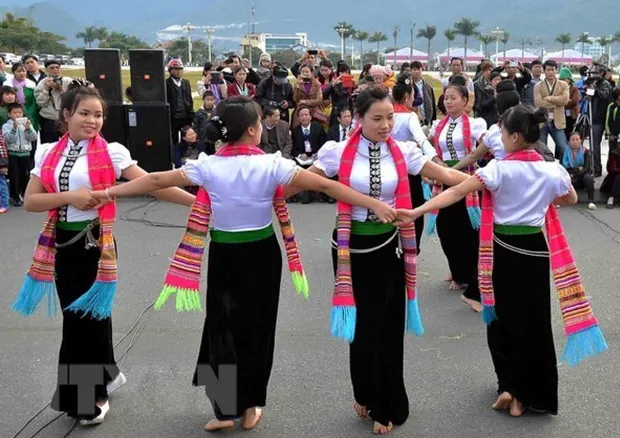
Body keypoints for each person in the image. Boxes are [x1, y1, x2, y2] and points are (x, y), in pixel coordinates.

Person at [88, 95, 399, 432]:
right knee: (257, 331)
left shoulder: (207, 165)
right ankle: (249, 405)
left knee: (221, 328)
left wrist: (109, 193)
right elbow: (325, 185)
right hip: (262, 255)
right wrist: (373, 203)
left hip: (225, 255)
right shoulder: (271, 164)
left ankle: (227, 408)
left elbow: (155, 180)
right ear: (253, 130)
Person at [397, 104, 606, 417]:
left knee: (500, 318)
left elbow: (455, 192)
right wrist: (542, 196)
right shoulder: (551, 170)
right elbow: (571, 198)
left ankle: (508, 386)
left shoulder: (498, 169)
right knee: (533, 322)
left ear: (515, 137)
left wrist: (415, 212)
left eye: (503, 133)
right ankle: (528, 395)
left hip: (501, 250)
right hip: (534, 249)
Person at [290, 86, 472, 435]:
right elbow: (298, 182)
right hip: (349, 250)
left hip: (390, 249)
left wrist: (492, 182)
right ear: (357, 118)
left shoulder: (403, 152)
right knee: (361, 326)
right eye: (377, 118)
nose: (386, 124)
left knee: (387, 327)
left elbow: (446, 176)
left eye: (390, 117)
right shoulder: (337, 152)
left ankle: (387, 402)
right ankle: (363, 391)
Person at [12, 80, 195, 426]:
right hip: (63, 247)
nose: (92, 120)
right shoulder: (47, 152)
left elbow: (154, 184)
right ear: (66, 115)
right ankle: (107, 375)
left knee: (84, 321)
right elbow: (32, 201)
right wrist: (71, 198)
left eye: (98, 115)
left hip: (96, 244)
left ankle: (86, 398)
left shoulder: (112, 152)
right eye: (84, 113)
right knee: (83, 318)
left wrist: (199, 204)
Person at [427, 84, 487, 314]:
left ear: (465, 101)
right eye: (446, 98)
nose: (448, 102)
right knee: (446, 227)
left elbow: (488, 143)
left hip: (468, 179)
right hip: (443, 180)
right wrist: (435, 163)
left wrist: (468, 161)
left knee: (469, 230)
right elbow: (428, 144)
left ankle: (468, 276)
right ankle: (457, 268)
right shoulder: (438, 125)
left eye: (453, 98)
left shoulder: (474, 124)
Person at [391, 73, 436, 251]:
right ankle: (412, 247)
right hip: (409, 169)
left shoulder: (387, 115)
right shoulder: (409, 117)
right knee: (414, 209)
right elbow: (422, 139)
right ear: (407, 97)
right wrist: (434, 158)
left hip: (390, 168)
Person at [3, 102, 38, 206]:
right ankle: (15, 196)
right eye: (15, 113)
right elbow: (8, 139)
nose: (18, 115)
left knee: (25, 175)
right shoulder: (6, 126)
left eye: (20, 112)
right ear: (9, 114)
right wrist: (14, 128)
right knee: (14, 175)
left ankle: (25, 194)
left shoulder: (27, 124)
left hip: (25, 153)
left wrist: (28, 128)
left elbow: (33, 138)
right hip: (13, 153)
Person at [534, 60, 570, 160]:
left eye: (553, 70)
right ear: (544, 71)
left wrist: (549, 98)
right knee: (542, 150)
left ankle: (567, 170)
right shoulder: (538, 86)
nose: (550, 72)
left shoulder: (563, 85)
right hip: (542, 121)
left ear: (556, 70)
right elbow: (539, 103)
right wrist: (557, 101)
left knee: (563, 147)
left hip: (557, 121)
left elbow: (565, 100)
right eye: (548, 70)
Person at [291, 107, 327, 203]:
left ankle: (319, 193)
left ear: (310, 117)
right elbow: (293, 148)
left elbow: (323, 145)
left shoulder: (318, 128)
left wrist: (316, 154)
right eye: (301, 115)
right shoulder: (295, 131)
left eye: (306, 115)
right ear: (298, 118)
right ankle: (305, 193)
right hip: (302, 159)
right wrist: (299, 155)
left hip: (316, 157)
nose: (304, 117)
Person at [35, 60, 72, 143]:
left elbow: (74, 99)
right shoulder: (42, 83)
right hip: (48, 119)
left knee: (68, 142)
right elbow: (40, 103)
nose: (55, 69)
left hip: (65, 119)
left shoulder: (68, 81)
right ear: (46, 70)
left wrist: (61, 90)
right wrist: (46, 89)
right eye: (52, 68)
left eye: (57, 67)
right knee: (49, 145)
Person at [559, 132, 596, 210]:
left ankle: (591, 201)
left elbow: (587, 169)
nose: (575, 142)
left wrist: (574, 174)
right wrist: (577, 169)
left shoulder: (586, 152)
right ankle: (558, 200)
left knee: (588, 177)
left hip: (580, 177)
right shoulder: (564, 151)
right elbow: (562, 167)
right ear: (568, 142)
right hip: (569, 177)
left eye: (577, 139)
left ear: (581, 141)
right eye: (572, 140)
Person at [166, 59, 195, 144]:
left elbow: (189, 99)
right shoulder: (166, 83)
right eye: (175, 69)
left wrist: (191, 112)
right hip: (173, 117)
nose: (178, 72)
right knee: (173, 139)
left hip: (185, 116)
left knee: (186, 138)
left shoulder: (186, 82)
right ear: (170, 70)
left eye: (180, 69)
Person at [291, 64, 323, 128]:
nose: (305, 74)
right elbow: (295, 99)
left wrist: (305, 102)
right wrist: (297, 87)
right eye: (303, 72)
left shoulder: (317, 84)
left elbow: (319, 100)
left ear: (311, 73)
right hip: (300, 111)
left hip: (314, 112)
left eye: (307, 72)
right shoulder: (298, 84)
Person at [410, 61, 436, 125]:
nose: (416, 71)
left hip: (426, 118)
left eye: (418, 69)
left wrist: (433, 119)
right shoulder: (408, 86)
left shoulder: (427, 86)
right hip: (413, 118)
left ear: (422, 70)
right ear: (411, 70)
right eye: (414, 69)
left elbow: (432, 103)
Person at [559, 67, 580, 140]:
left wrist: (563, 101)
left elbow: (574, 102)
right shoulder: (558, 89)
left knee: (571, 136)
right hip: (561, 117)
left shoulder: (574, 89)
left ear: (569, 80)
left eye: (564, 79)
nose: (562, 81)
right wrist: (566, 100)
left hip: (572, 116)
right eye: (561, 80)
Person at [0, 129, 8, 213]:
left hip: (1, 164)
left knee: (2, 186)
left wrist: (4, 165)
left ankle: (4, 204)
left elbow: (3, 151)